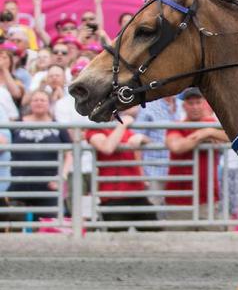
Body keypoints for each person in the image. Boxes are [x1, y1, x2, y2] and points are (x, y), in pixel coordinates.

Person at [84, 110, 158, 229]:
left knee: (154, 231)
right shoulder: (95, 130)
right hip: (113, 196)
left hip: (137, 193)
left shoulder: (125, 130)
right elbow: (107, 148)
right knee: (116, 238)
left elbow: (149, 144)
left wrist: (142, 138)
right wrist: (122, 125)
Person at [7, 89, 71, 226]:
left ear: (49, 104)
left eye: (43, 100)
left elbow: (69, 155)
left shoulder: (58, 126)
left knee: (48, 229)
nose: (39, 103)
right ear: (30, 104)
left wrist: (62, 177)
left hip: (49, 186)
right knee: (15, 228)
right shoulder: (16, 124)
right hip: (19, 184)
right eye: (35, 100)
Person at [164, 89, 227, 218]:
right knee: (177, 237)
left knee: (212, 236)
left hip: (208, 197)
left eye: (198, 102)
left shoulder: (212, 125)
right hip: (179, 199)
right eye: (191, 103)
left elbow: (233, 136)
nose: (195, 107)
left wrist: (209, 132)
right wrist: (203, 136)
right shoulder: (177, 125)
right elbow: (176, 146)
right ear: (184, 106)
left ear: (204, 104)